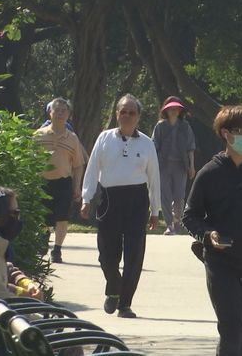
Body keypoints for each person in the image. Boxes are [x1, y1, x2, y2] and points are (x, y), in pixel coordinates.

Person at [183, 105, 242, 356]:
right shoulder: (210, 173)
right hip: (220, 262)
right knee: (231, 326)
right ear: (225, 133)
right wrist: (209, 235)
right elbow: (190, 216)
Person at [80, 93, 160, 319]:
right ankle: (113, 287)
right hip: (109, 200)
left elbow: (154, 177)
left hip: (136, 200)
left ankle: (125, 303)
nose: (126, 116)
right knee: (106, 254)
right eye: (122, 111)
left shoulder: (146, 143)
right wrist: (87, 198)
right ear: (116, 114)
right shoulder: (104, 138)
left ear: (138, 117)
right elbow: (93, 168)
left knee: (134, 255)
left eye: (131, 112)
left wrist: (155, 209)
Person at [34, 98, 85, 263]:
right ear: (50, 112)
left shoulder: (72, 138)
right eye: (57, 109)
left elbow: (78, 165)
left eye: (64, 110)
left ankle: (57, 249)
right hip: (42, 183)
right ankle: (42, 241)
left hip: (63, 182)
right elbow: (29, 162)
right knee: (42, 217)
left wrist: (77, 186)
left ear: (68, 115)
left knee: (62, 218)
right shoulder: (38, 135)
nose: (61, 112)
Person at [151, 97, 196, 235]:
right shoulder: (160, 126)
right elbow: (153, 146)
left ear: (180, 111)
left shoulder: (185, 126)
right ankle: (169, 224)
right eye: (171, 109)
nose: (174, 111)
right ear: (166, 110)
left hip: (180, 165)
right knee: (165, 195)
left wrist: (192, 166)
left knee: (179, 195)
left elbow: (190, 147)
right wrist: (152, 166)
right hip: (163, 165)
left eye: (176, 109)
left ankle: (177, 221)